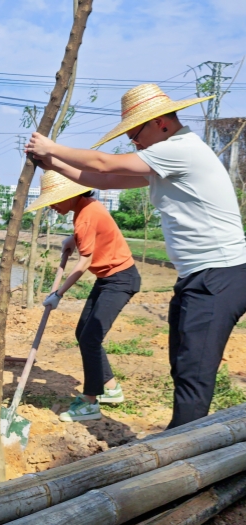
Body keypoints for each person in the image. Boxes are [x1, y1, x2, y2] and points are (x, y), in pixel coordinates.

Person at [25, 83, 246, 429]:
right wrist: (51, 162)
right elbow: (105, 178)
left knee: (193, 373)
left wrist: (52, 146)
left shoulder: (181, 149)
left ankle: (182, 455)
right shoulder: (167, 161)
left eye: (134, 132)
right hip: (197, 277)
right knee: (184, 365)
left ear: (160, 123)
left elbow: (103, 161)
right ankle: (182, 441)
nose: (133, 141)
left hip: (220, 275)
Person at [27, 171, 141, 422]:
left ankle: (90, 402)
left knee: (90, 338)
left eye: (55, 200)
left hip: (120, 279)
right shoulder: (86, 208)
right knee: (83, 333)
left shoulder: (85, 216)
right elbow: (92, 235)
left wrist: (58, 293)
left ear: (70, 195)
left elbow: (83, 263)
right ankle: (110, 388)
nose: (53, 207)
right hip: (108, 278)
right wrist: (73, 239)